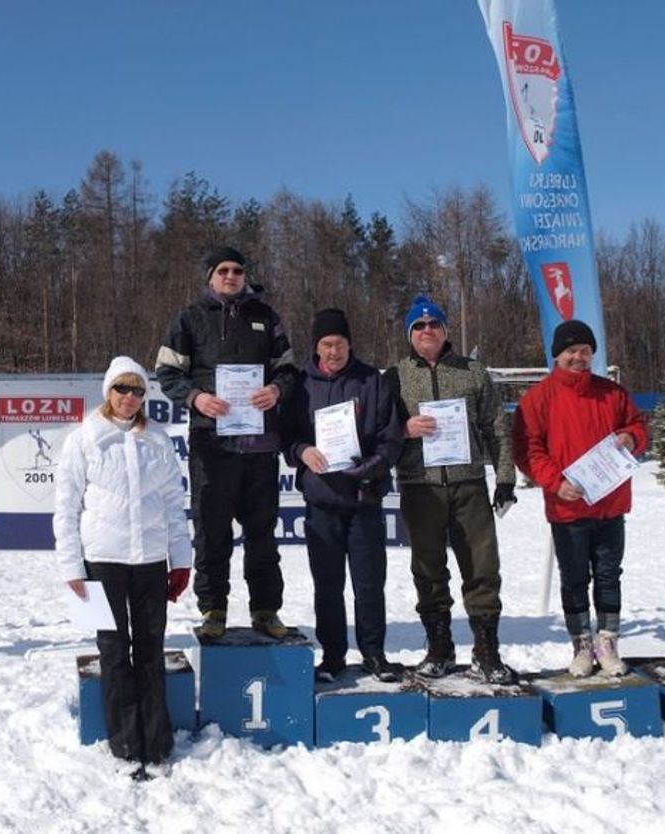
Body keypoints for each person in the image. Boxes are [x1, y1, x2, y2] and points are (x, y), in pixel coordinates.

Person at [54, 356, 192, 781]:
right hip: (102, 562)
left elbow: (172, 504)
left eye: (137, 391)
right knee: (113, 651)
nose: (129, 398)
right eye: (122, 389)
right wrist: (71, 566)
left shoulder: (159, 441)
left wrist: (181, 560)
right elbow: (65, 507)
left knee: (150, 648)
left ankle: (156, 739)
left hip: (150, 561)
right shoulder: (84, 440)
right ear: (107, 392)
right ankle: (125, 741)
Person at [155, 246, 295, 640]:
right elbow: (166, 372)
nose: (231, 276)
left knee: (263, 535)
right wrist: (196, 398)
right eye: (223, 270)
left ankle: (266, 610)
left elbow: (288, 369)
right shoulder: (189, 318)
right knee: (211, 533)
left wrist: (276, 391)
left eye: (237, 270)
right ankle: (213, 609)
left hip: (260, 447)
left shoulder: (266, 317)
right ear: (210, 276)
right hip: (211, 447)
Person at [383, 295, 518, 684]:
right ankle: (439, 647)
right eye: (419, 326)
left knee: (482, 568)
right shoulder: (395, 376)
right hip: (420, 486)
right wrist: (404, 430)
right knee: (427, 568)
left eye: (434, 325)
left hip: (468, 484)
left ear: (445, 331)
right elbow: (379, 430)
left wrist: (505, 477)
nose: (427, 331)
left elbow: (495, 425)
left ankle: (486, 650)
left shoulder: (472, 371)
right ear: (410, 334)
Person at [511, 320, 648, 677]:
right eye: (571, 350)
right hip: (567, 505)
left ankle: (608, 643)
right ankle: (582, 646)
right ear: (557, 355)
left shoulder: (612, 393)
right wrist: (555, 483)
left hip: (610, 504)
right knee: (574, 579)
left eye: (585, 350)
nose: (578, 357)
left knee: (608, 576)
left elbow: (638, 427)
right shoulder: (538, 398)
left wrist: (632, 439)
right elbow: (527, 449)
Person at [282, 309, 404, 682]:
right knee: (328, 585)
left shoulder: (373, 381)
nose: (333, 351)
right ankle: (333, 656)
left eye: (339, 344)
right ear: (316, 347)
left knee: (369, 584)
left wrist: (372, 467)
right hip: (322, 502)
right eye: (326, 344)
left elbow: (391, 436)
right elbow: (286, 436)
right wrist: (302, 451)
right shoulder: (301, 384)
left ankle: (374, 654)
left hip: (363, 499)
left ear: (350, 344)